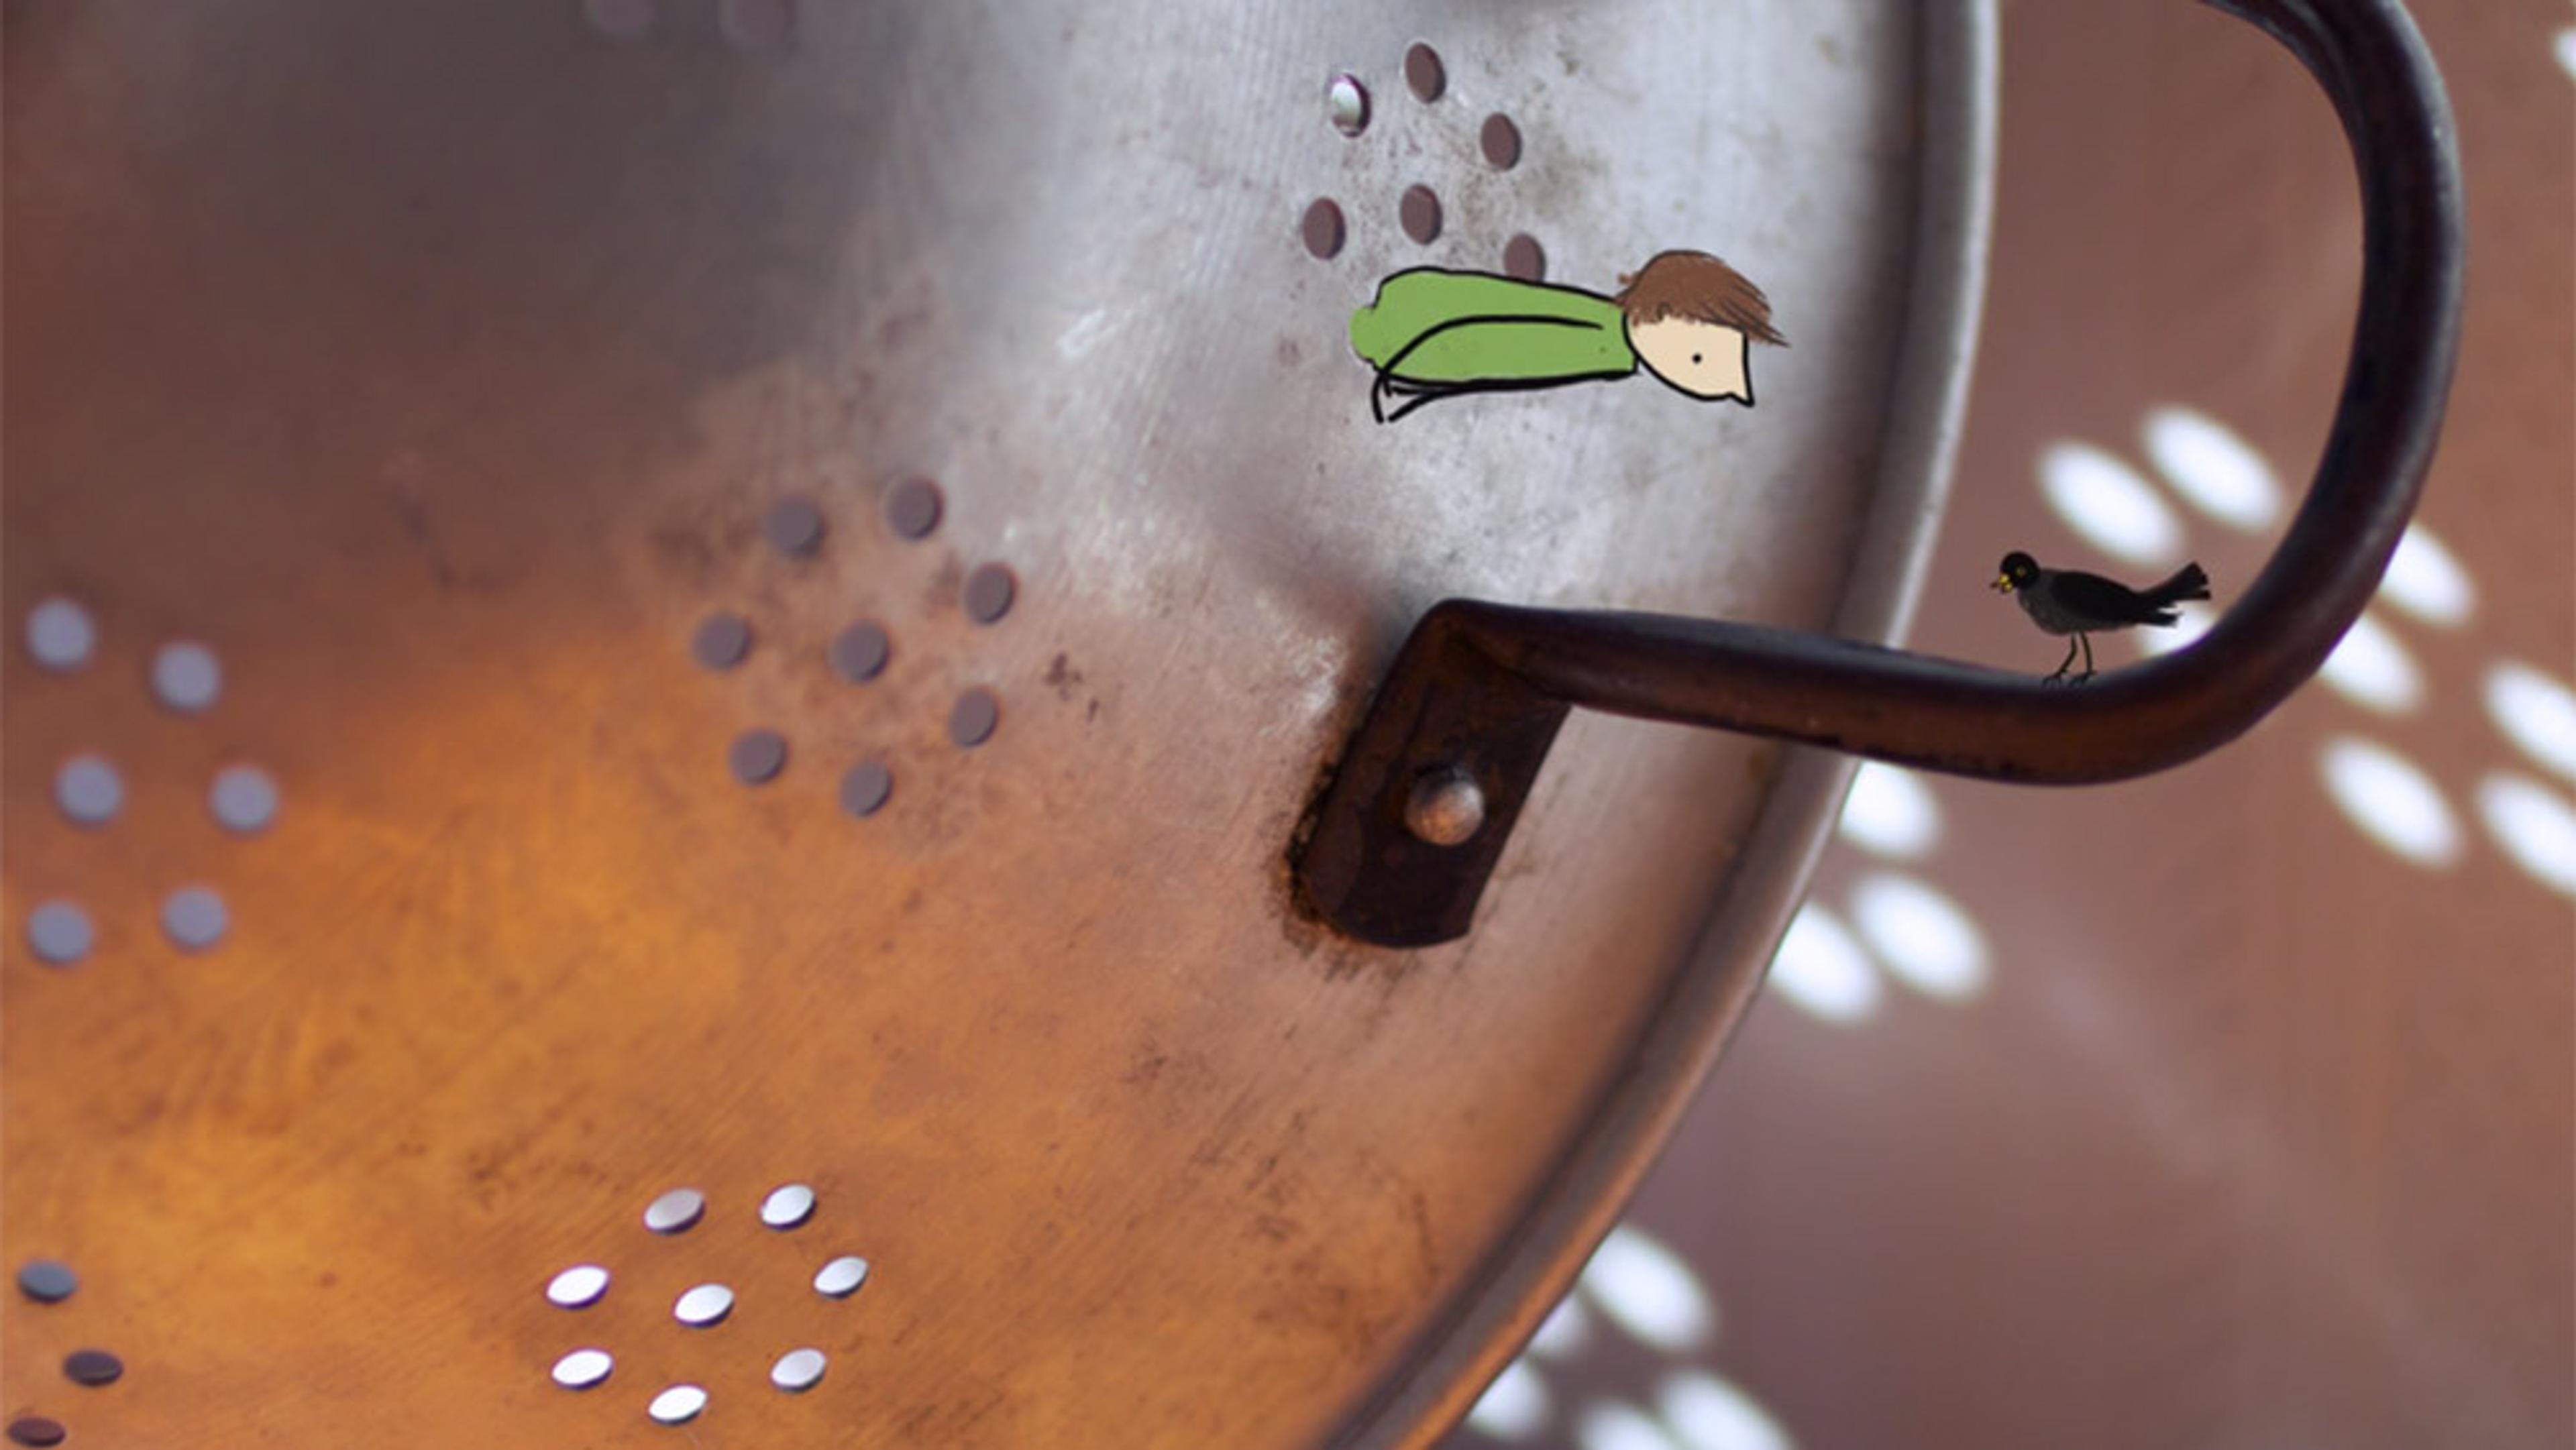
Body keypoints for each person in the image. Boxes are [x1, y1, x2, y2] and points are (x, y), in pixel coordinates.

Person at [1348, 249, 1785, 423]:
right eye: (1697, 362)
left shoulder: (1611, 349)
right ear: (1665, 313)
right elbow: (1495, 343)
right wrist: (1406, 365)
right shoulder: (1599, 339)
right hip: (1409, 334)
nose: (1702, 384)